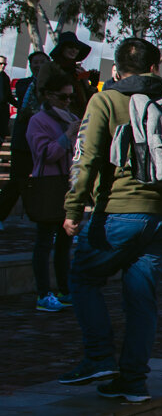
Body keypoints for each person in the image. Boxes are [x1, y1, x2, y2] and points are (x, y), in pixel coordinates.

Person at [58, 37, 162, 404]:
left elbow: (87, 157)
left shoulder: (106, 100)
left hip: (119, 211)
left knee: (82, 278)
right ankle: (132, 380)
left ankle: (98, 357)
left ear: (116, 70)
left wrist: (72, 208)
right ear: (155, 68)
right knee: (141, 299)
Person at [26, 76, 80, 312]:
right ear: (49, 95)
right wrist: (67, 134)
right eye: (62, 97)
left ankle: (64, 290)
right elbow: (45, 154)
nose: (67, 101)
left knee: (65, 240)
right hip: (48, 183)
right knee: (45, 240)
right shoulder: (38, 121)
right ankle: (43, 292)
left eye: (70, 96)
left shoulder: (72, 119)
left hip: (68, 183)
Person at [0, 51, 53, 228]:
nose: (38, 65)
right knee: (17, 180)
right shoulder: (24, 84)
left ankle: (45, 219)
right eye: (35, 62)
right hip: (23, 140)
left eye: (42, 62)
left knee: (46, 181)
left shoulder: (55, 85)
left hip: (46, 140)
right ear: (30, 66)